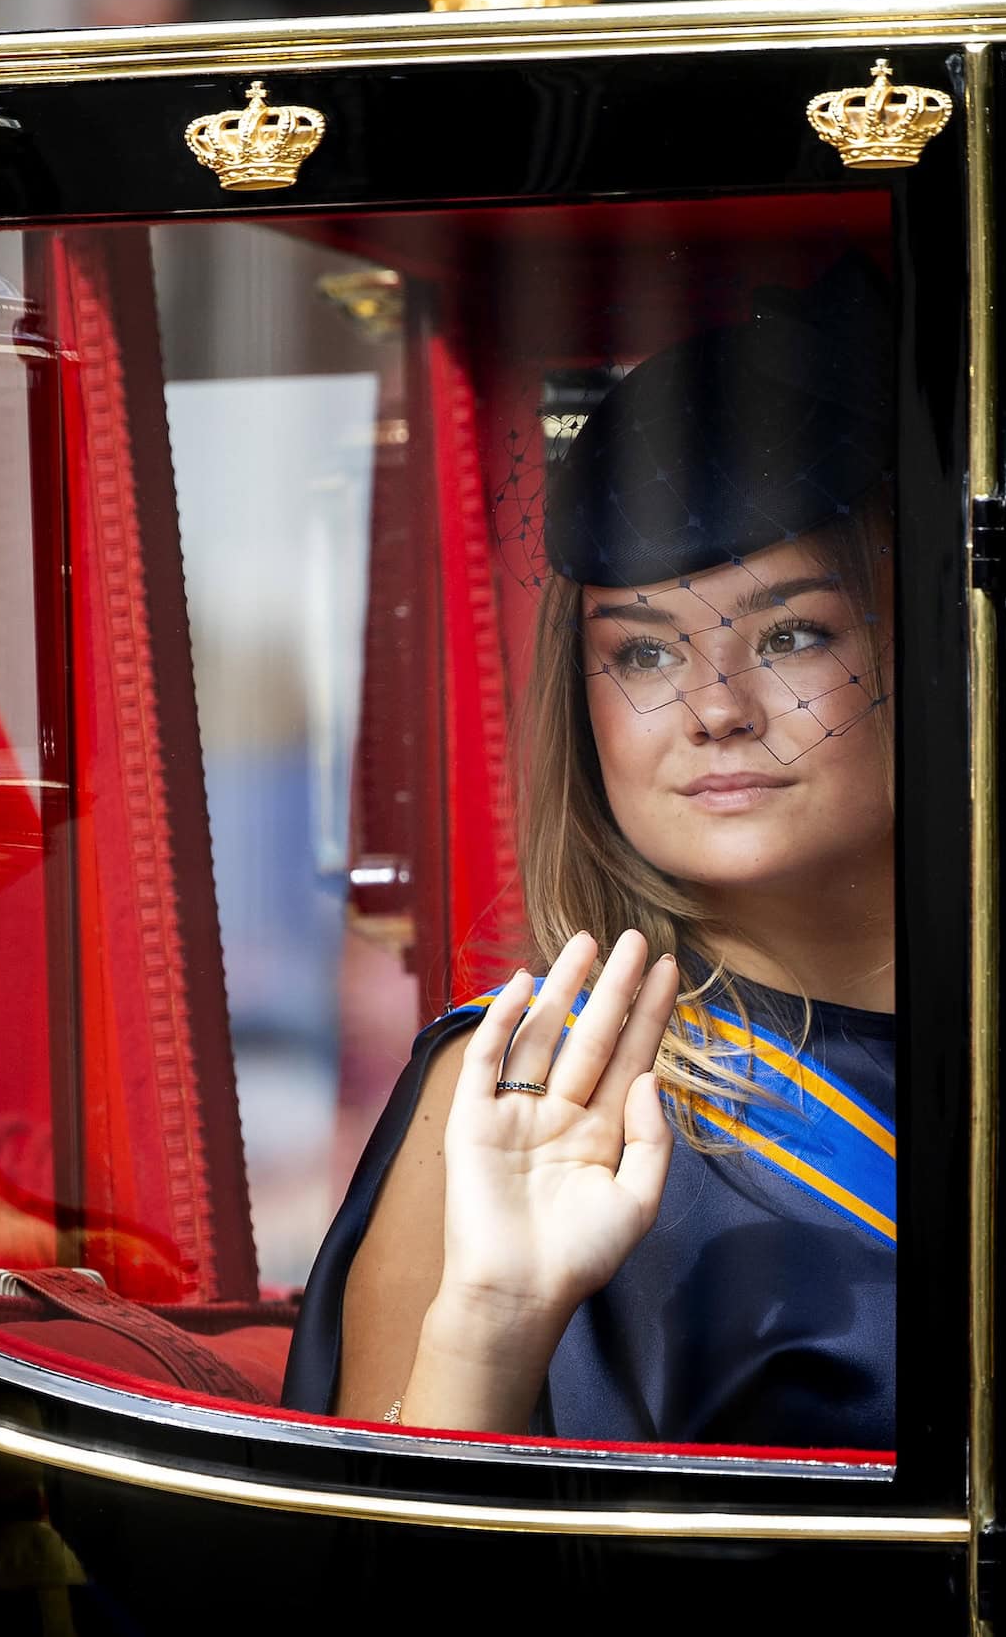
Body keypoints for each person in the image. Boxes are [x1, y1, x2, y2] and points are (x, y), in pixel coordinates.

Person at [282, 256, 901, 1446]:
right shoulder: (520, 1083)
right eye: (645, 654)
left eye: (795, 634)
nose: (716, 708)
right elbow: (364, 1586)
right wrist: (491, 1321)